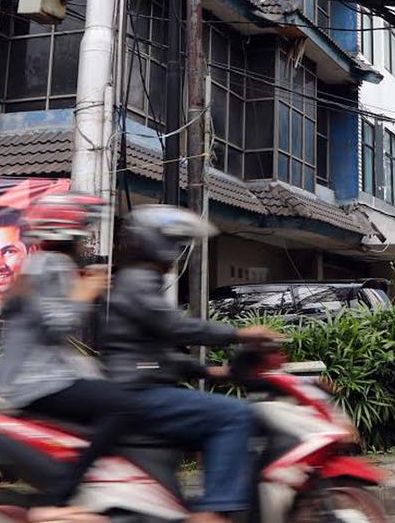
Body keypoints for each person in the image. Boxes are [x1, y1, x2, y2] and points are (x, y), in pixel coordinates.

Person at [100, 205, 277, 523]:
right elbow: (178, 328)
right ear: (156, 242)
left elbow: (157, 353)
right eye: (175, 243)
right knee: (234, 415)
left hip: (139, 386)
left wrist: (210, 371)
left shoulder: (139, 280)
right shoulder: (139, 281)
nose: (179, 252)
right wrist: (240, 332)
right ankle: (214, 512)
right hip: (140, 393)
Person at [0, 192, 144, 522]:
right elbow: (58, 326)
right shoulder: (52, 264)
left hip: (32, 378)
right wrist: (86, 293)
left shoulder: (37, 266)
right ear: (66, 233)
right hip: (36, 383)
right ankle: (60, 498)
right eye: (82, 232)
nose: (84, 240)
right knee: (123, 405)